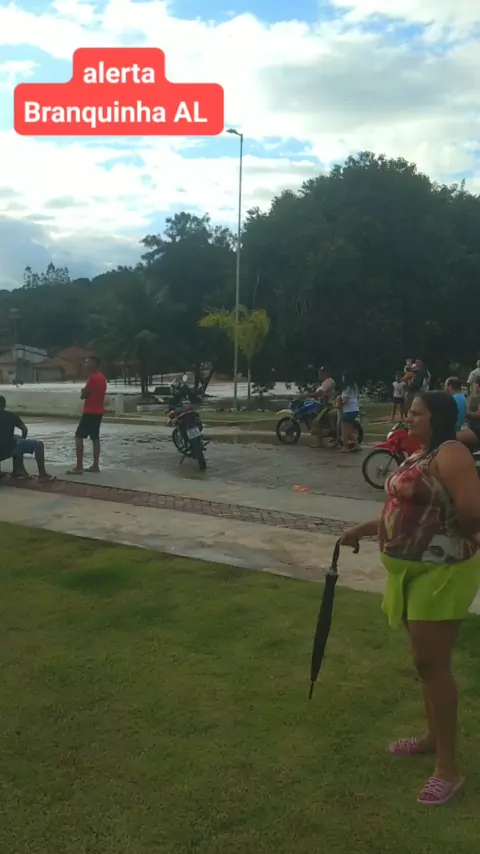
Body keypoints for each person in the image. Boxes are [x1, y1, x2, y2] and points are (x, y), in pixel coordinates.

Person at [340, 391, 480, 806]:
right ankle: (432, 737)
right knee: (424, 663)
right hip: (411, 573)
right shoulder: (422, 454)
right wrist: (365, 529)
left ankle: (448, 770)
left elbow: (473, 508)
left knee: (433, 665)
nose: (409, 417)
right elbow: (404, 507)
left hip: (441, 573)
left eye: (416, 413)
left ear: (437, 417)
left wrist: (460, 530)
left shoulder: (451, 453)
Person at [68, 356, 107, 474]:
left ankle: (79, 466)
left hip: (90, 411)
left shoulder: (92, 378)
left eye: (88, 363)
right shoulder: (102, 378)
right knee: (95, 438)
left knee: (78, 436)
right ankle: (95, 465)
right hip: (99, 411)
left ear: (94, 364)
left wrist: (83, 391)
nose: (86, 365)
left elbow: (84, 395)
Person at [0, 396, 53, 481]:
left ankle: (18, 469)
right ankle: (42, 474)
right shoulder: (11, 415)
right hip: (5, 451)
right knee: (38, 444)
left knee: (16, 439)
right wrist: (22, 439)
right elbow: (24, 429)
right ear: (4, 405)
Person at [308, 367, 336, 447]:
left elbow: (320, 393)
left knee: (316, 421)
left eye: (321, 373)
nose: (319, 374)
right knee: (317, 420)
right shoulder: (324, 382)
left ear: (326, 373)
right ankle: (321, 440)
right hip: (322, 405)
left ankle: (320, 442)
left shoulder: (328, 382)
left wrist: (306, 395)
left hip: (327, 405)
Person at [338, 371, 360, 452]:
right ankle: (357, 445)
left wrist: (338, 404)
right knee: (350, 430)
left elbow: (345, 401)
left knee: (344, 430)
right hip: (354, 409)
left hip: (348, 411)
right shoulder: (354, 387)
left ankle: (345, 447)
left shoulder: (348, 389)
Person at [457, 377, 480, 448]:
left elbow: (478, 415)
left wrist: (466, 413)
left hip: (477, 430)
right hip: (475, 428)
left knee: (453, 436)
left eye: (476, 384)